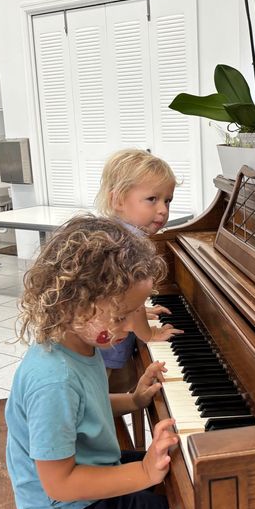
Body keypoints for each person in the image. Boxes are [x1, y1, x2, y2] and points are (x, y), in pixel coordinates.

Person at [6, 215, 206, 509]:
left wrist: (133, 400)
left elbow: (89, 405)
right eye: (120, 316)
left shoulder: (78, 344)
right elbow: (59, 482)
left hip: (86, 481)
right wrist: (142, 476)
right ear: (75, 302)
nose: (126, 328)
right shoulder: (52, 379)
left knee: (186, 479)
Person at [95, 149, 182, 381]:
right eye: (152, 199)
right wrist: (149, 333)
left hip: (100, 336)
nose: (163, 209)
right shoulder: (131, 245)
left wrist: (142, 308)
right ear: (118, 200)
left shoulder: (114, 233)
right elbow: (132, 308)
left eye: (167, 200)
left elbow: (128, 299)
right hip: (105, 344)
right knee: (103, 394)